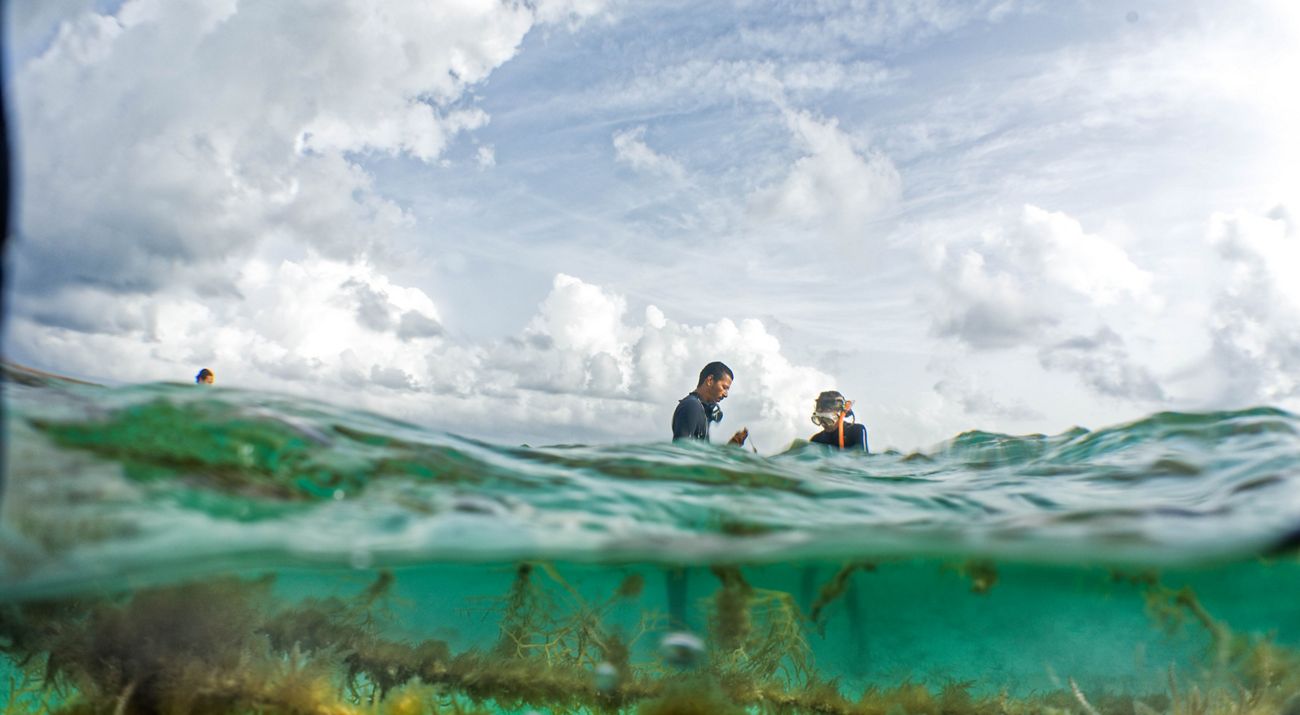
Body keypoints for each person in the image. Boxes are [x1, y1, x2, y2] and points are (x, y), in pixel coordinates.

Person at [671, 361, 748, 445]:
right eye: (724, 387)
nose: (726, 394)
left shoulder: (703, 409)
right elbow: (681, 451)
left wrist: (732, 446)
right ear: (710, 380)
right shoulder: (692, 406)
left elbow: (698, 454)